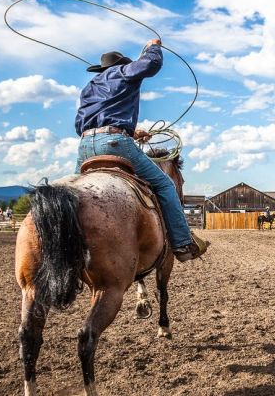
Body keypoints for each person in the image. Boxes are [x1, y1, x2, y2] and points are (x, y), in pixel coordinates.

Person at [74, 39, 208, 262]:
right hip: (115, 143)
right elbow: (151, 64)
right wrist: (152, 47)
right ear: (119, 65)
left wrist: (132, 131)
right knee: (165, 184)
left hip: (86, 146)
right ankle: (183, 243)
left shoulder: (89, 88)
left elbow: (83, 124)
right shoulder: (123, 72)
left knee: (74, 195)